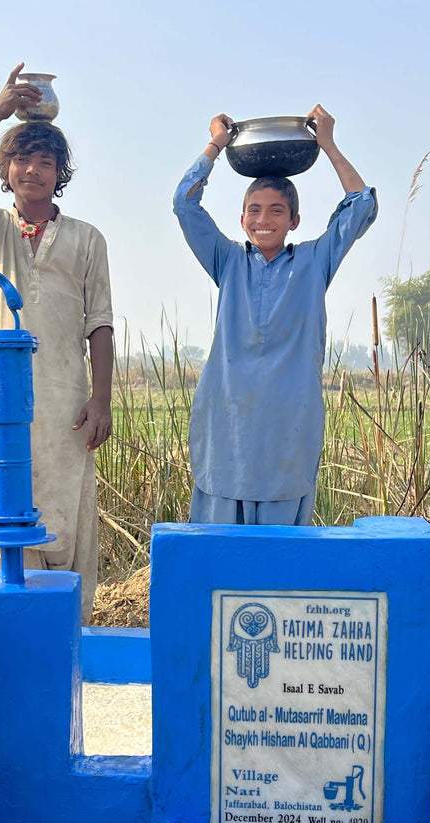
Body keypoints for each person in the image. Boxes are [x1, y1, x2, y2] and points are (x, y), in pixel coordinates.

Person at [0, 63, 114, 621]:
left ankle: (66, 634)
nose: (32, 169)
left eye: (45, 161)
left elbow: (100, 323)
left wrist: (101, 398)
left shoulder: (85, 238)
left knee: (64, 513)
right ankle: (10, 624)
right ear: (5, 169)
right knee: (2, 508)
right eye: (21, 159)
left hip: (65, 400)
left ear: (61, 173)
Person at [173, 106, 377, 526]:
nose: (264, 219)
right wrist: (216, 144)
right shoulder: (227, 260)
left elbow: (360, 206)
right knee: (220, 553)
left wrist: (328, 144)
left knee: (280, 558)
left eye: (276, 210)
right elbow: (184, 203)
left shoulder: (314, 261)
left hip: (289, 427)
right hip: (226, 423)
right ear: (242, 219)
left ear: (294, 220)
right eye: (255, 210)